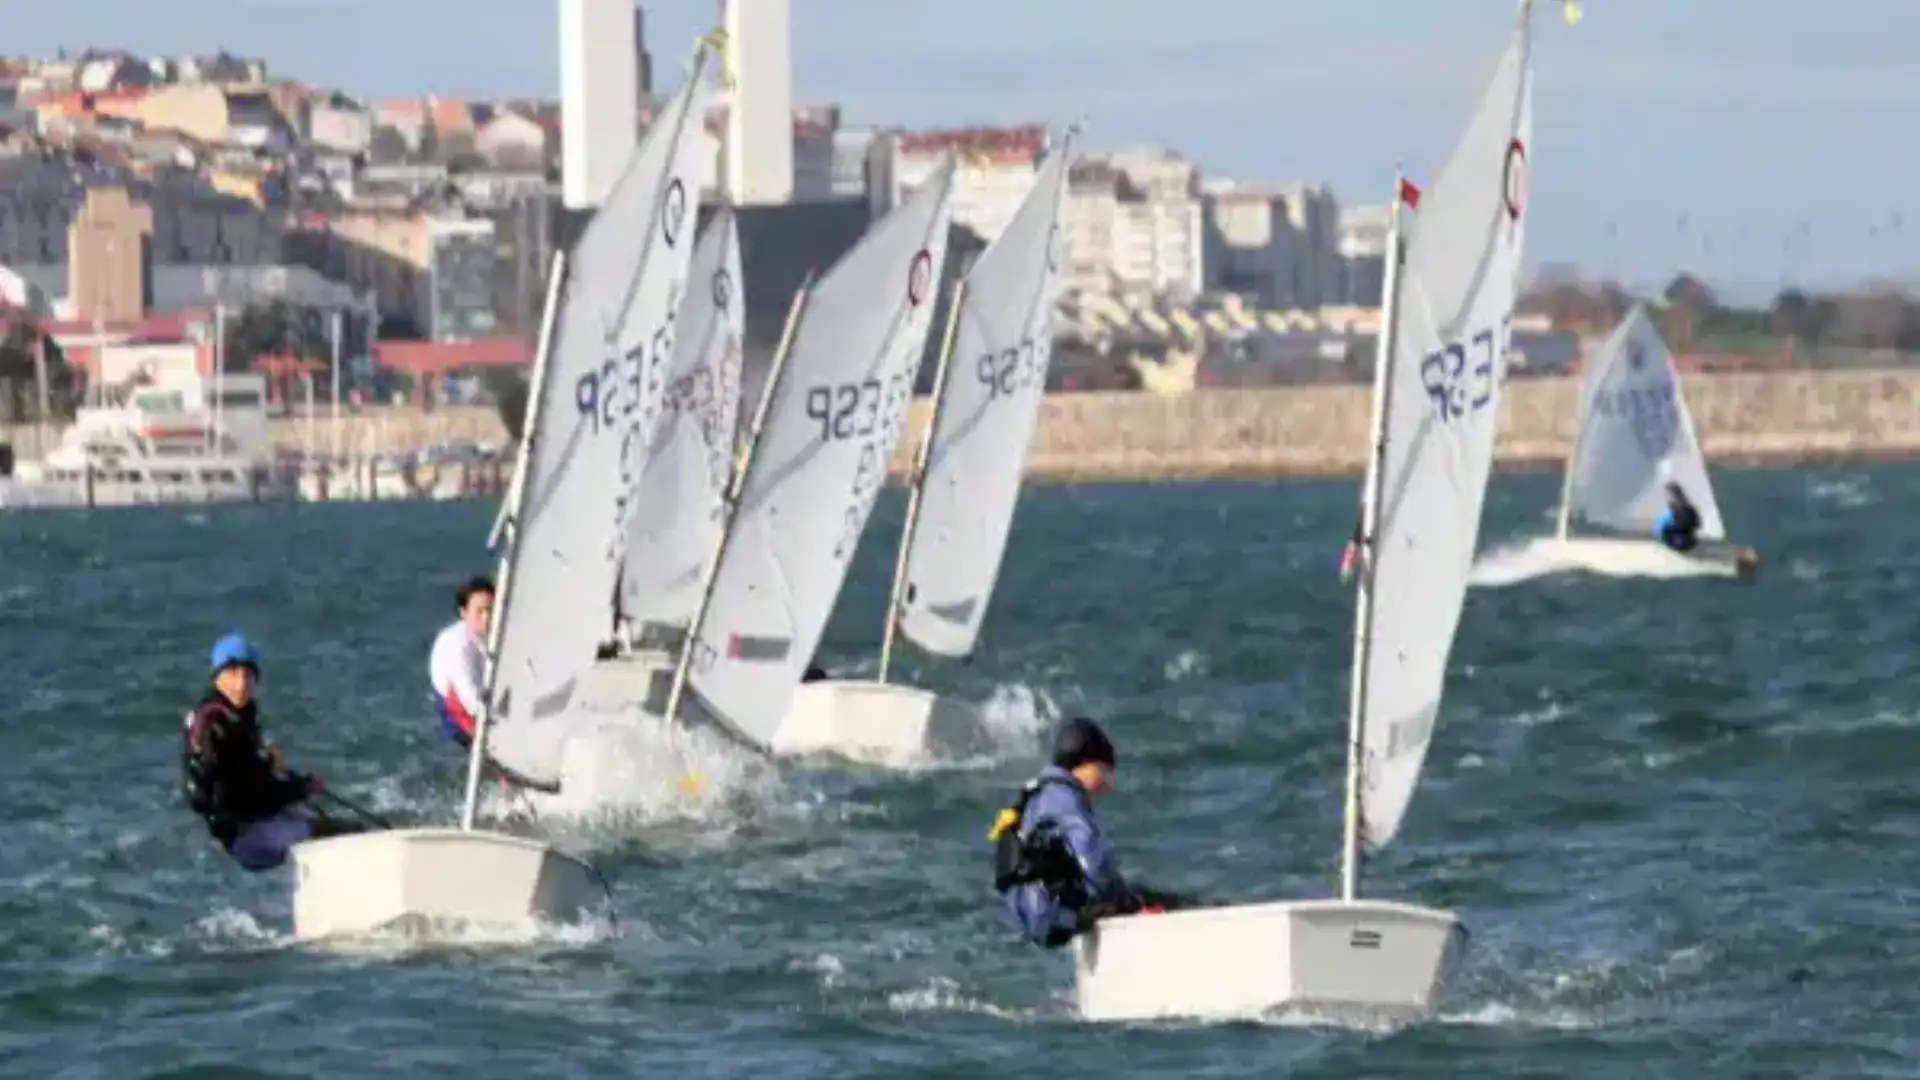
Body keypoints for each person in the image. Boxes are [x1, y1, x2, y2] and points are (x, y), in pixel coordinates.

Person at [991, 717, 1193, 949]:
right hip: (1058, 914)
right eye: (1105, 770)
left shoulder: (1037, 797)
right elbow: (1091, 859)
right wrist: (1125, 902)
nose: (1109, 782)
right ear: (1085, 764)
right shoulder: (1065, 800)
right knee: (1159, 901)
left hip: (1036, 915)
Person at [182, 633, 369, 872]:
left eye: (247, 675)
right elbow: (240, 794)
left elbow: (252, 777)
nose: (241, 684)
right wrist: (296, 789)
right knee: (334, 834)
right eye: (232, 673)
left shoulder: (236, 716)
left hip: (253, 818)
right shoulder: (213, 725)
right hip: (244, 837)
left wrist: (288, 780)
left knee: (325, 819)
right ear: (217, 676)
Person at [430, 576, 493, 750]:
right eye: (479, 611)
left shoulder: (491, 634)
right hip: (457, 710)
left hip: (483, 692)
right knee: (493, 752)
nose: (487, 617)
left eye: (491, 610)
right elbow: (469, 698)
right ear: (463, 612)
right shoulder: (459, 647)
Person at [1653, 482, 1702, 553]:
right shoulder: (1690, 509)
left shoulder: (1669, 511)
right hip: (1689, 542)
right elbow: (1698, 525)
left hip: (1675, 542)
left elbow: (1659, 531)